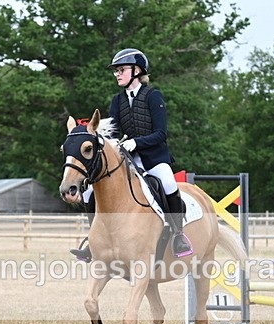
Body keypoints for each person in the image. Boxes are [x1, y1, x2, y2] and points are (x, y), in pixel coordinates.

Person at [70, 48, 193, 261]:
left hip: (153, 159)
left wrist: (136, 142)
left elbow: (161, 134)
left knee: (168, 183)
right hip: (126, 159)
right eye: (115, 71)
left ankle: (178, 235)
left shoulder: (154, 96)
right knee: (90, 191)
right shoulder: (117, 101)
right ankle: (94, 240)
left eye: (121, 70)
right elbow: (115, 132)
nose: (117, 74)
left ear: (136, 71)